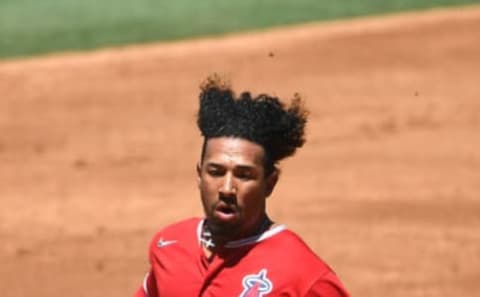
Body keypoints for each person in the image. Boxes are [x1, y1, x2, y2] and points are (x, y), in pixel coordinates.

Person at [133, 75, 349, 297]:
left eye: (244, 175)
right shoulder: (171, 245)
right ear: (199, 175)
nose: (227, 188)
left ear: (270, 183)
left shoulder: (302, 275)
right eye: (215, 172)